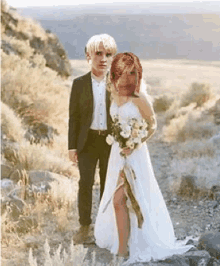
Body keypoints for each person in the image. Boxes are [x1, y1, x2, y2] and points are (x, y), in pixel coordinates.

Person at [94, 52, 194, 264]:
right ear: (116, 72)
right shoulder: (112, 93)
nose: (129, 76)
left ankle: (124, 251)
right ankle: (123, 246)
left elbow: (153, 125)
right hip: (117, 154)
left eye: (133, 72)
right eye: (124, 71)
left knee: (125, 199)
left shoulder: (140, 98)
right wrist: (115, 137)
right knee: (119, 200)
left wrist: (135, 142)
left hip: (135, 155)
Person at [68, 34, 117, 244]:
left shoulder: (116, 83)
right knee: (85, 183)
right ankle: (84, 226)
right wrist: (72, 147)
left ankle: (105, 228)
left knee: (108, 185)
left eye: (108, 54)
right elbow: (74, 117)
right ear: (89, 56)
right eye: (98, 53)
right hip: (87, 142)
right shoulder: (78, 84)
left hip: (109, 143)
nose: (103, 58)